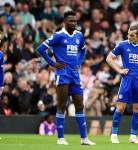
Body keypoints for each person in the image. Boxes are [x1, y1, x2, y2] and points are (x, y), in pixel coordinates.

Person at [36, 11, 95, 145]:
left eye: (75, 21)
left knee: (80, 105)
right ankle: (61, 138)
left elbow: (83, 50)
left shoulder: (79, 35)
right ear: (64, 22)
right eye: (71, 21)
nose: (73, 23)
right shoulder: (58, 36)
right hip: (62, 74)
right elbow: (40, 49)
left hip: (75, 75)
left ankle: (84, 139)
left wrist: (79, 62)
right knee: (62, 105)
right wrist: (53, 64)